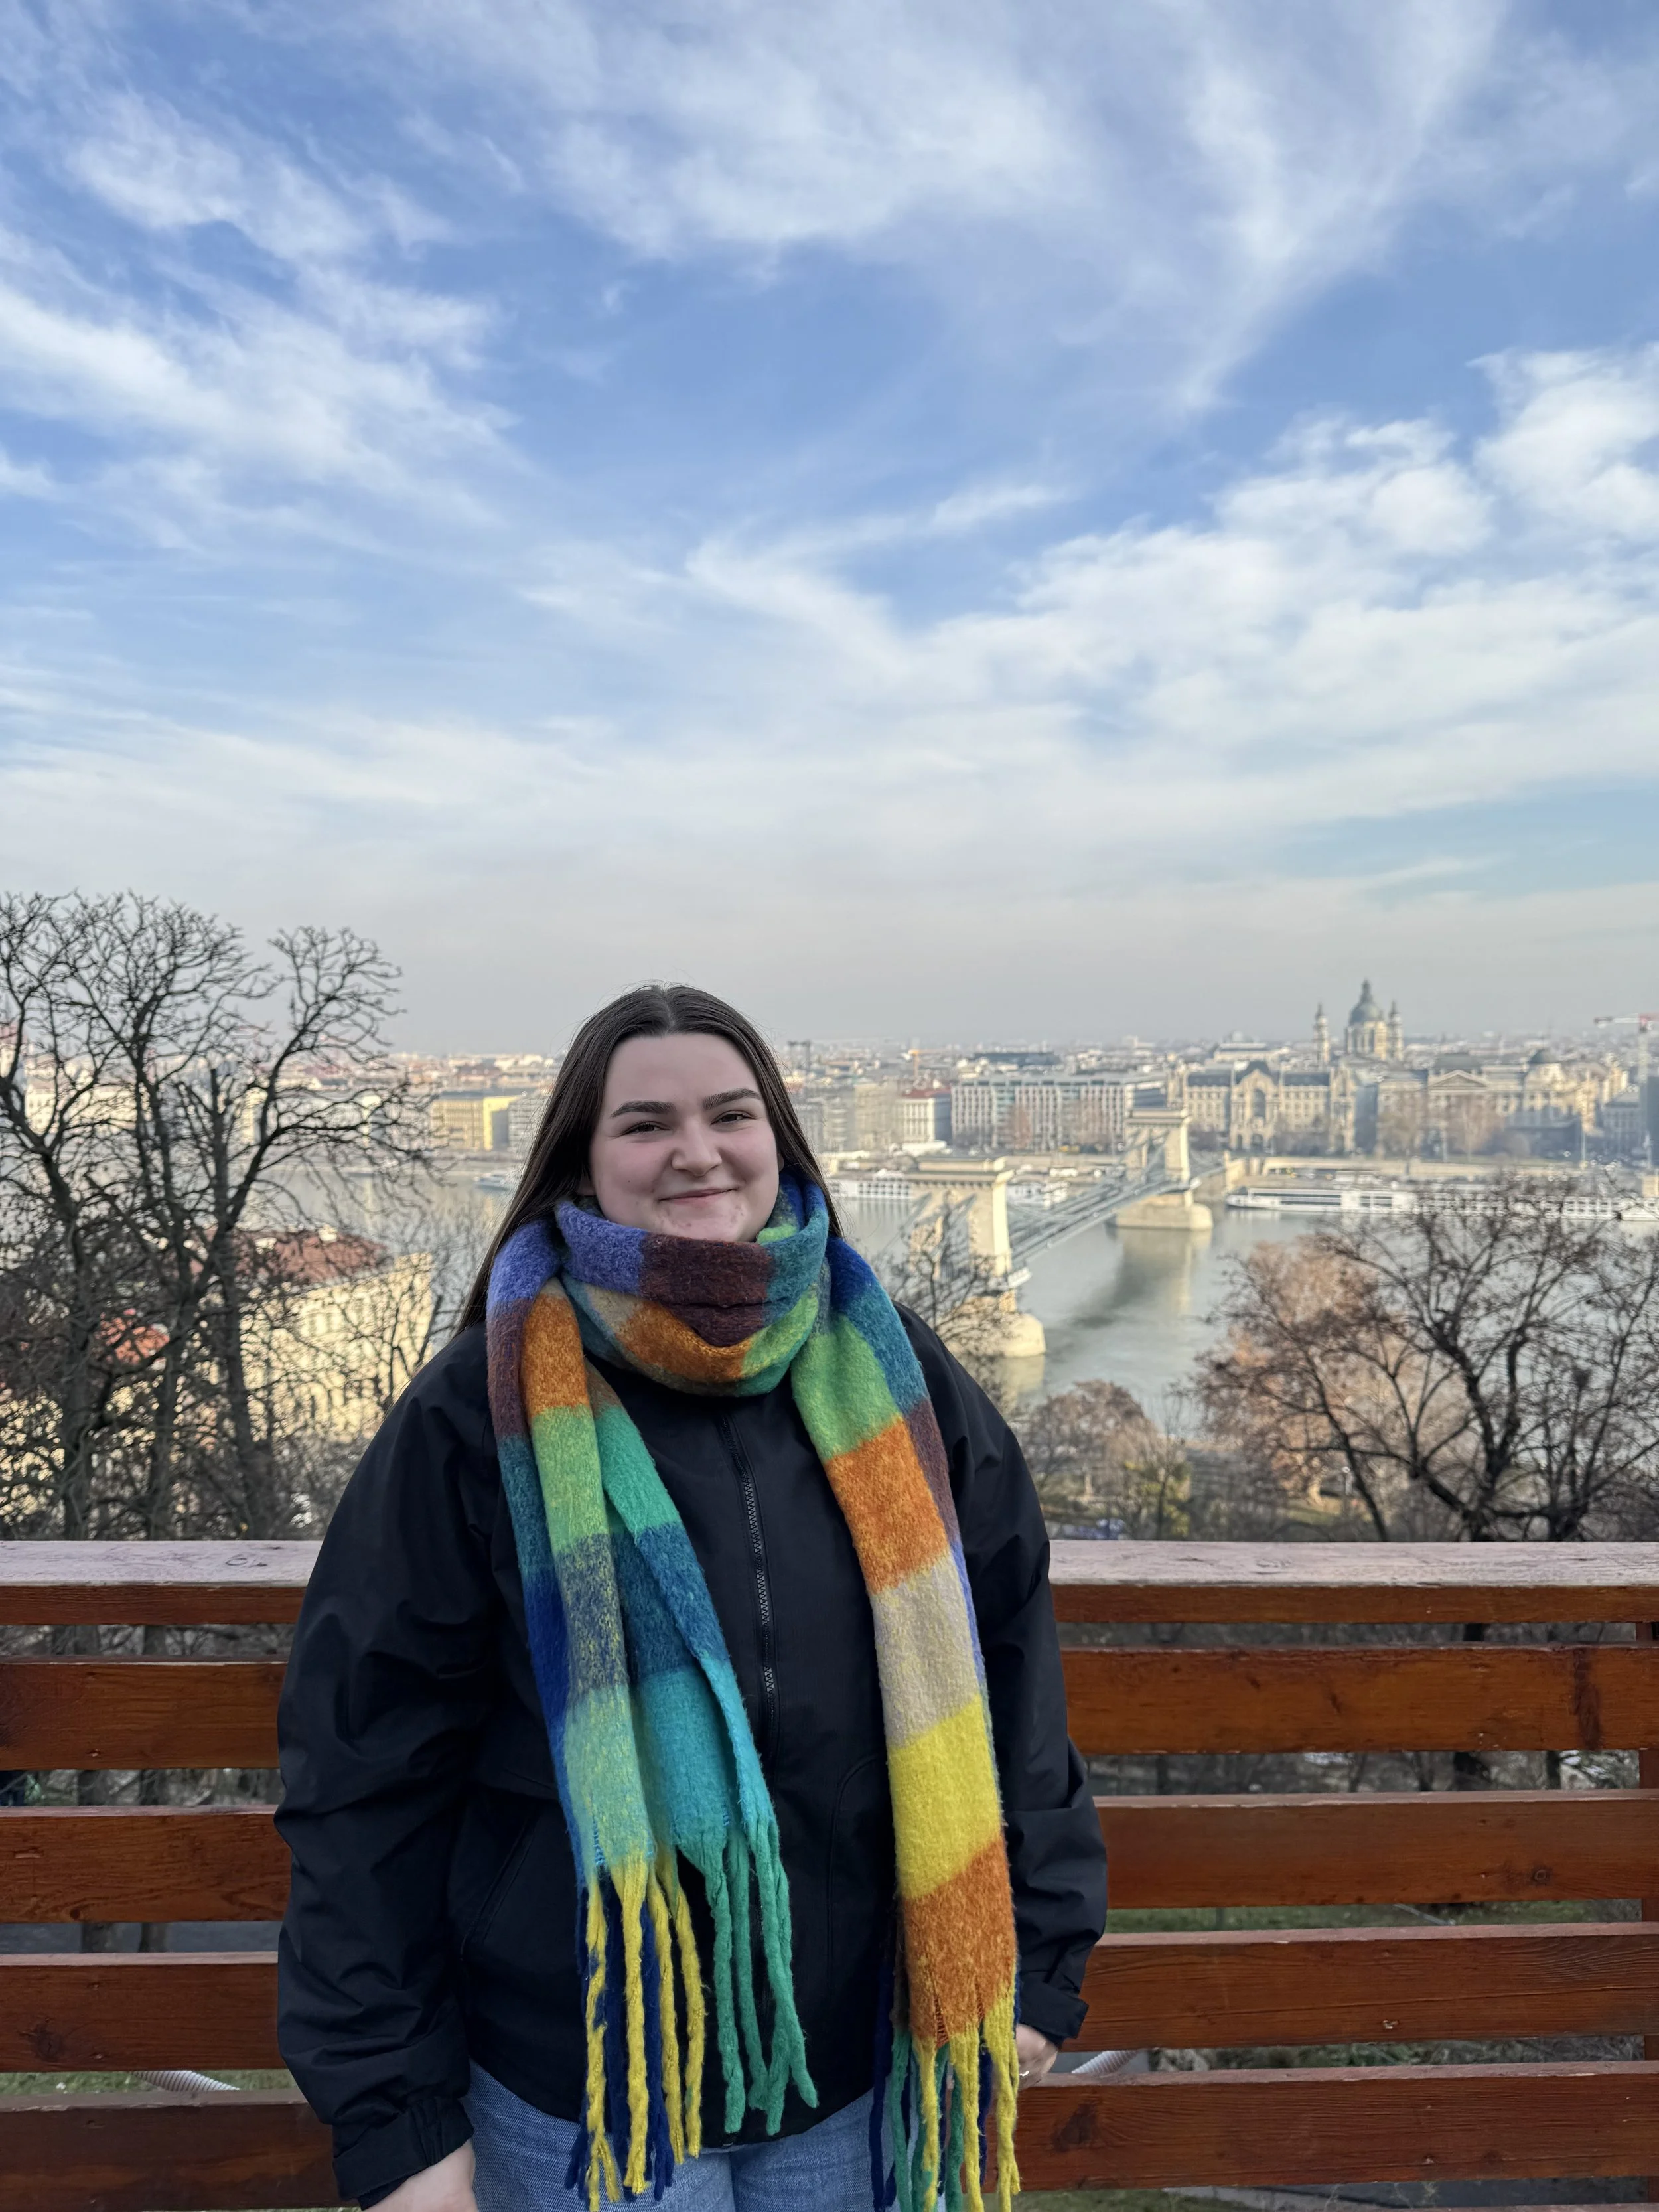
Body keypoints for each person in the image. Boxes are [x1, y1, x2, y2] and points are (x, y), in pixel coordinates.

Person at [277, 984, 1106, 2212]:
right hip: (583, 2088)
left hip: (859, 2063)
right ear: (583, 1160)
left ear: (779, 1136)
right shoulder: (478, 1410)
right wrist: (398, 2119)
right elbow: (367, 1764)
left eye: (732, 1113)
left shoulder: (894, 1370)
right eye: (646, 1124)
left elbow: (1008, 1667)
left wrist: (1033, 1966)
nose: (697, 1152)